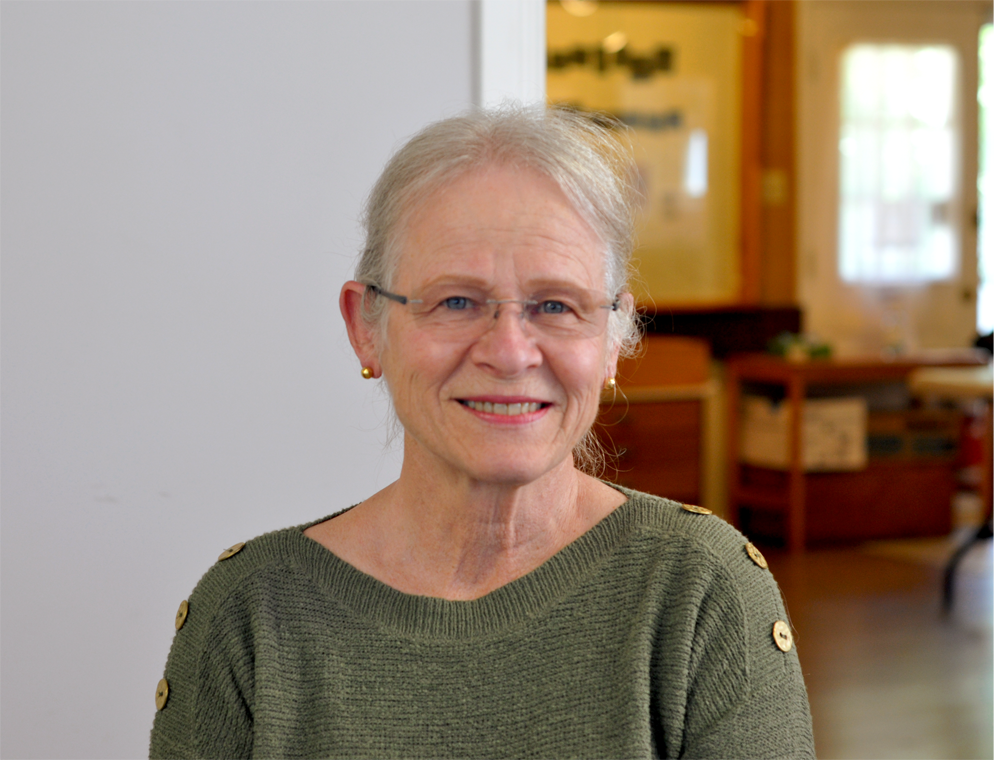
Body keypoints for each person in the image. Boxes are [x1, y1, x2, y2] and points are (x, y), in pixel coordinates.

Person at [149, 104, 815, 759]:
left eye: (556, 305)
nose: (509, 352)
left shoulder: (702, 593)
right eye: (456, 301)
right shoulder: (250, 616)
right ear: (366, 327)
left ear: (613, 339)